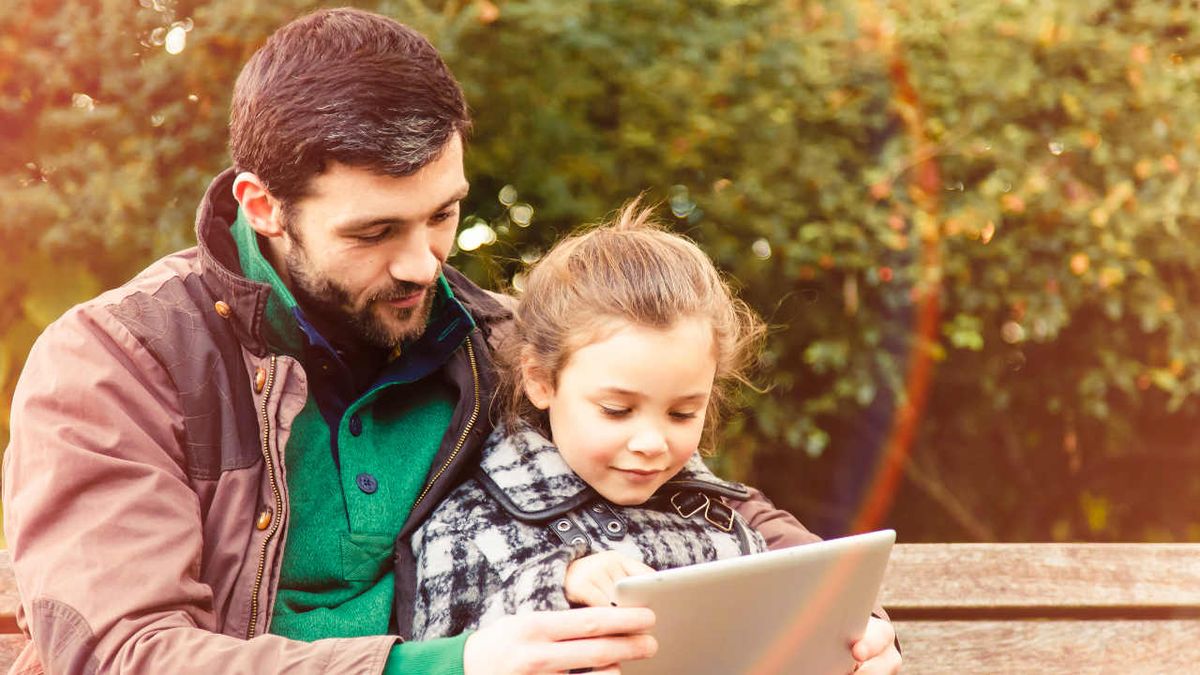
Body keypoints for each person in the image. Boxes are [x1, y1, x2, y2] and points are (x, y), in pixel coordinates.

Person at [1, 7, 899, 675]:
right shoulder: (119, 362)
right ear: (262, 207)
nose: (423, 264)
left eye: (444, 215)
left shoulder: (498, 341)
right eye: (374, 233)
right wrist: (446, 666)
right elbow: (120, 650)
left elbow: (696, 488)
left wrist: (826, 601)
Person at [407, 202, 770, 639]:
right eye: (617, 410)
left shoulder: (719, 512)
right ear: (541, 380)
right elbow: (449, 658)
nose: (652, 442)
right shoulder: (465, 530)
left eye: (683, 413)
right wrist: (552, 588)